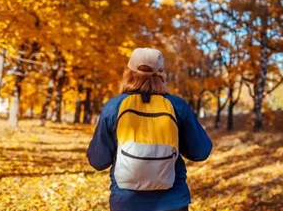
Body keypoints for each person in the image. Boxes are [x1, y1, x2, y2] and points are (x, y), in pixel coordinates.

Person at [87, 48, 212, 211]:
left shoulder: (114, 106)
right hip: (172, 202)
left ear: (129, 73)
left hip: (126, 203)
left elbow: (98, 161)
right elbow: (201, 152)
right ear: (161, 74)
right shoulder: (177, 106)